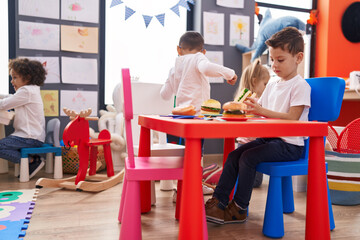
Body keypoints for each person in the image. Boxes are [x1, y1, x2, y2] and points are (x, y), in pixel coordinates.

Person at [205, 26, 310, 224]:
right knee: (235, 154)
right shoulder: (272, 83)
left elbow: (293, 118)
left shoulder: (300, 86)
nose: (274, 64)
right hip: (271, 139)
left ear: (298, 58)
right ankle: (218, 203)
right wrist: (250, 107)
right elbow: (260, 110)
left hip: (290, 145)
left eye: (280, 60)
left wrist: (261, 111)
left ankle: (239, 208)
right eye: (272, 59)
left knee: (248, 157)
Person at [160, 31, 237, 114]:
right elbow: (206, 68)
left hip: (180, 114)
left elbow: (164, 95)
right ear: (203, 52)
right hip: (198, 114)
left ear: (178, 49)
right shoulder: (198, 57)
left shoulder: (173, 70)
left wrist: (169, 80)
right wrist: (230, 74)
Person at [0, 58, 46, 179]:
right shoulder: (30, 91)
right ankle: (31, 161)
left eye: (15, 77)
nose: (12, 81)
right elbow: (10, 98)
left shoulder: (26, 91)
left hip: (29, 137)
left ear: (27, 77)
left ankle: (31, 161)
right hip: (30, 136)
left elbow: (4, 104)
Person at [234, 58, 271, 188]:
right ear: (255, 82)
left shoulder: (242, 98)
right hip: (252, 145)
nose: (267, 87)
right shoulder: (255, 101)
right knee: (255, 182)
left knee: (248, 175)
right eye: (265, 84)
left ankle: (233, 174)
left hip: (241, 143)